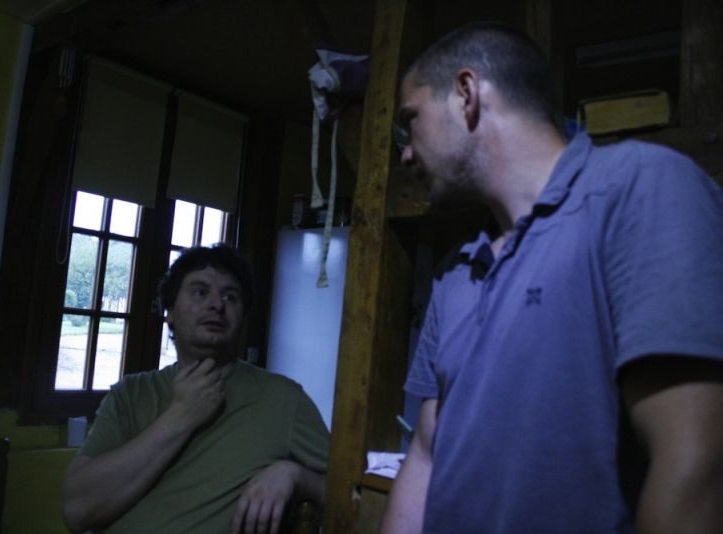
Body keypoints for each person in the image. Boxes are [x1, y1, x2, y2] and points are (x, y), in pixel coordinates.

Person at [381, 21, 723, 534]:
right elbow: (426, 458)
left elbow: (696, 465)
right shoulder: (456, 271)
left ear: (466, 94)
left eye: (412, 120)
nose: (406, 153)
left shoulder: (638, 189)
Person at [62, 244, 329, 534]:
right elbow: (76, 512)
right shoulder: (131, 393)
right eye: (200, 292)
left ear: (243, 318)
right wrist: (183, 415)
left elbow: (352, 492)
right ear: (170, 312)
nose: (217, 305)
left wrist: (297, 476)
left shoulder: (284, 399)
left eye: (231, 297)